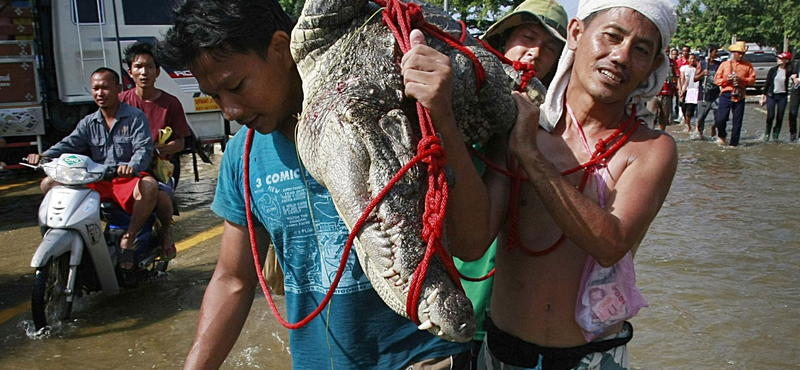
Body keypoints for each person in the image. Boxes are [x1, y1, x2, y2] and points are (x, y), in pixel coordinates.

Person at [158, 1, 479, 369]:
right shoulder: (241, 156)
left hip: (421, 358)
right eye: (215, 97)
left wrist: (444, 119)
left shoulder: (391, 116)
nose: (228, 110)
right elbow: (233, 279)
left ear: (281, 48)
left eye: (236, 86)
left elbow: (472, 243)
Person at [464, 0, 679, 368]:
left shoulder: (650, 150)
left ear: (653, 67)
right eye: (611, 36)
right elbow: (470, 243)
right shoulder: (519, 126)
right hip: (501, 353)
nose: (621, 56)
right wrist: (444, 123)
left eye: (640, 50)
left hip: (592, 359)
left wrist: (530, 156)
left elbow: (610, 243)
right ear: (577, 35)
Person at [457, 0, 568, 368]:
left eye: (551, 49)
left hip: (510, 316)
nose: (536, 53)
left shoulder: (553, 135)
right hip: (456, 294)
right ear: (503, 41)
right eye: (527, 37)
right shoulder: (457, 108)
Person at [26, 68, 157, 271]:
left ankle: (128, 239)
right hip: (98, 180)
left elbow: (143, 149)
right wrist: (43, 157)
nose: (100, 93)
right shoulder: (89, 122)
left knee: (149, 186)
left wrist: (131, 167)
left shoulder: (135, 117)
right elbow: (69, 143)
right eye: (95, 88)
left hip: (125, 180)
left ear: (118, 89)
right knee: (48, 183)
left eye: (105, 87)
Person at [119, 41, 192, 259]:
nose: (144, 72)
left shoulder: (171, 103)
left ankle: (166, 234)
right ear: (130, 71)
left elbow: (181, 142)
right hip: (126, 170)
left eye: (149, 66)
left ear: (157, 72)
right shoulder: (120, 102)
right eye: (138, 66)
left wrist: (162, 148)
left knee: (162, 200)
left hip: (158, 169)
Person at [714, 41, 755, 146]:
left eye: (742, 53)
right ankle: (722, 135)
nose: (741, 55)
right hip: (726, 93)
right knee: (720, 118)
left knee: (737, 121)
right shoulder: (725, 64)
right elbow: (716, 80)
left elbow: (752, 80)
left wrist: (742, 79)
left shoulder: (748, 65)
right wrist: (726, 80)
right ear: (734, 53)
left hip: (740, 94)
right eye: (739, 53)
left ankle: (734, 144)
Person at [760, 51, 793, 141]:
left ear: (786, 60)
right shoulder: (773, 70)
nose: (778, 60)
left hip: (782, 96)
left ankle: (776, 134)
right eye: (778, 58)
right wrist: (763, 95)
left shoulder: (789, 70)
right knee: (770, 115)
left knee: (780, 116)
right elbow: (767, 82)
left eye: (781, 58)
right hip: (771, 95)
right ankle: (767, 133)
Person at [647, 46, 678, 131]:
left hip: (667, 93)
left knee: (664, 118)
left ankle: (661, 135)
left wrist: (677, 89)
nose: (666, 53)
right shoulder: (654, 62)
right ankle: (650, 134)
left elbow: (676, 77)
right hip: (653, 93)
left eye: (668, 52)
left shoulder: (672, 63)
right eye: (665, 51)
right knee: (651, 115)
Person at [695, 46, 721, 139]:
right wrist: (702, 74)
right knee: (701, 117)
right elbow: (695, 78)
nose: (716, 53)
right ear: (710, 53)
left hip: (716, 95)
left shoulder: (719, 64)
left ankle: (714, 128)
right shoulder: (702, 64)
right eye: (715, 51)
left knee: (719, 116)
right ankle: (700, 133)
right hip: (704, 95)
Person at [679, 53, 700, 133]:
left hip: (697, 91)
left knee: (698, 112)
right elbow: (685, 80)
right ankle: (688, 125)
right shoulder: (685, 68)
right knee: (687, 111)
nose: (692, 60)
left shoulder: (698, 69)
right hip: (689, 91)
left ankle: (698, 127)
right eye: (691, 58)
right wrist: (682, 91)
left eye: (694, 59)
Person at [788, 53, 800, 142]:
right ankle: (793, 134)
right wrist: (794, 78)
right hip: (796, 91)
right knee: (793, 112)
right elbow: (793, 75)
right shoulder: (798, 63)